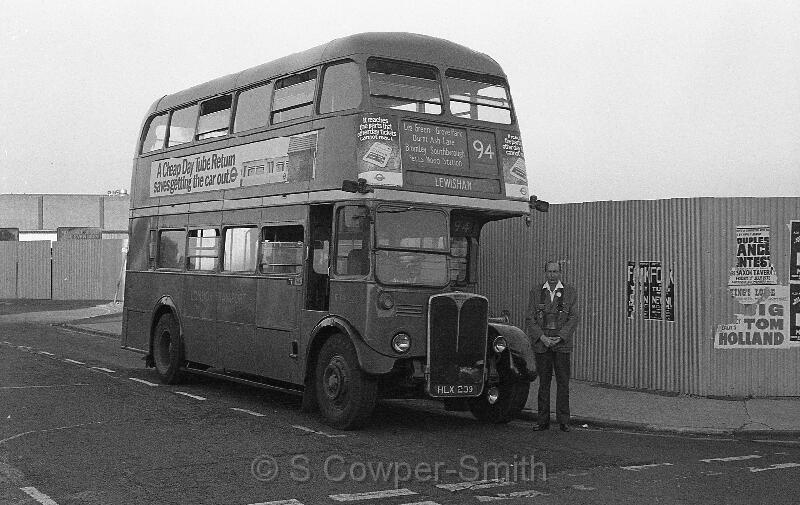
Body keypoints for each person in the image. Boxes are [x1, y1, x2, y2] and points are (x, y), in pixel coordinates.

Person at [525, 261, 579, 432]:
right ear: (545, 273)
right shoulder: (536, 291)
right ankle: (543, 421)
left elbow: (573, 318)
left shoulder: (570, 291)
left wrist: (560, 337)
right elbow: (530, 318)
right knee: (544, 383)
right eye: (549, 271)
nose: (552, 275)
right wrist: (542, 337)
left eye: (555, 271)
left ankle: (564, 421)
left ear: (560, 273)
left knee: (563, 383)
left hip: (562, 345)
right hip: (542, 344)